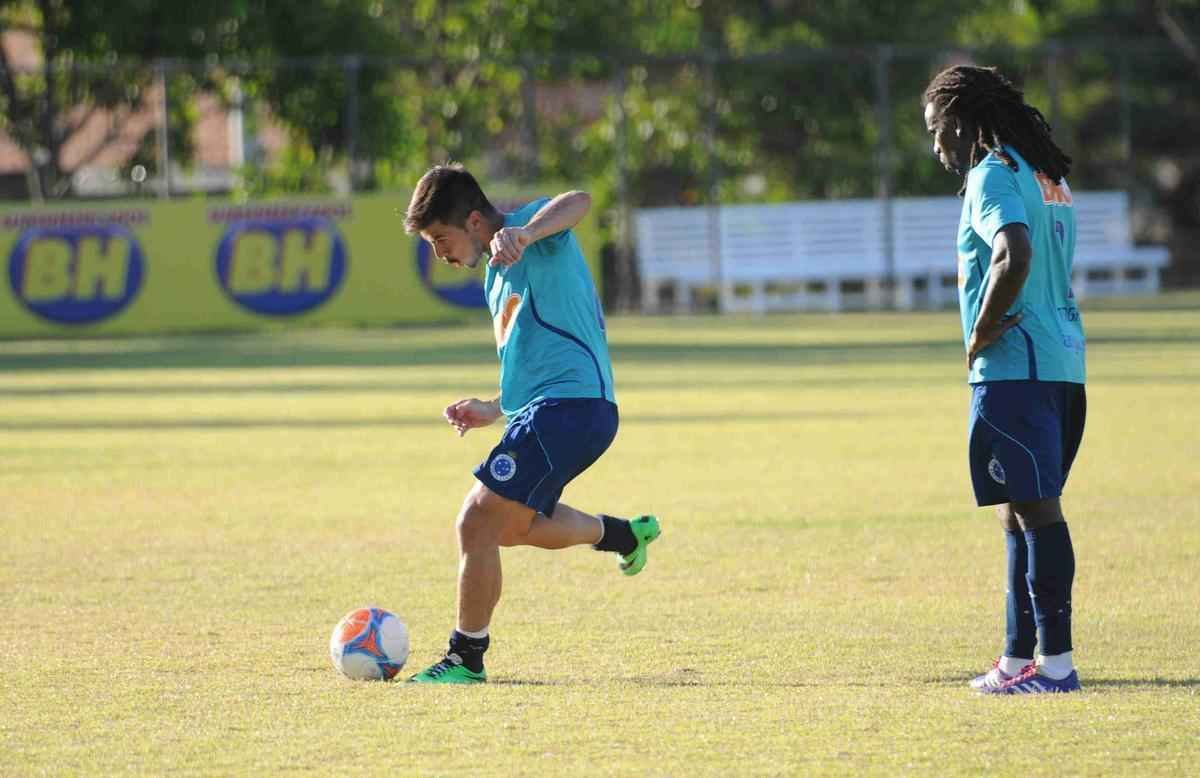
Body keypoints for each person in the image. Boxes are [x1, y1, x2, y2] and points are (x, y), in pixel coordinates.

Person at [402, 163, 661, 684]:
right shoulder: (496, 277)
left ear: (474, 222)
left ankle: (465, 658)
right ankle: (623, 536)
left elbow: (580, 197)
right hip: (561, 410)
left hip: (571, 409)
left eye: (440, 239)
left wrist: (527, 231)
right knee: (513, 528)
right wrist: (494, 408)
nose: (440, 254)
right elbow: (537, 359)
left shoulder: (534, 232)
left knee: (475, 522)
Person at [922, 65, 1086, 694]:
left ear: (961, 123)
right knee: (1019, 513)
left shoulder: (990, 173)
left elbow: (1012, 252)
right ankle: (1018, 661)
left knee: (1038, 512)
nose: (938, 148)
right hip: (1064, 364)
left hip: (1015, 369)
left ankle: (1058, 665)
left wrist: (980, 331)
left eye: (938, 131)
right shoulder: (1046, 177)